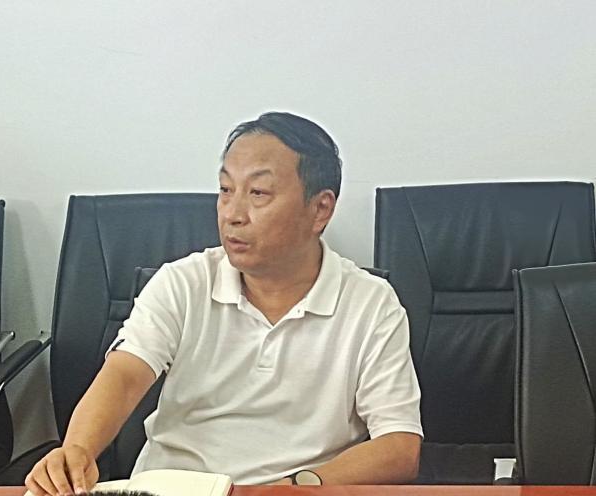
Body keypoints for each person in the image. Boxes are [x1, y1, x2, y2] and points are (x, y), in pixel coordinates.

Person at [25, 112, 423, 496]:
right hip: (176, 487)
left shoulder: (370, 303)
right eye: (226, 190)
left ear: (320, 209)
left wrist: (294, 488)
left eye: (258, 194)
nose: (232, 214)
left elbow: (399, 446)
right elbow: (125, 375)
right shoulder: (184, 282)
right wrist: (77, 449)